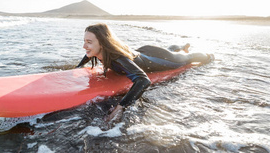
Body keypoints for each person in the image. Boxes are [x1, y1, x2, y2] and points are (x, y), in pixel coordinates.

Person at [76, 23, 214, 122]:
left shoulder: (118, 58)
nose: (84, 46)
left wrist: (121, 107)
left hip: (159, 59)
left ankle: (209, 55)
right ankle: (181, 47)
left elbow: (143, 80)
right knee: (169, 51)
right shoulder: (98, 50)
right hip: (145, 51)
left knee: (185, 59)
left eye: (89, 42)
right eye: (84, 41)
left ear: (103, 43)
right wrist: (78, 67)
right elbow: (89, 53)